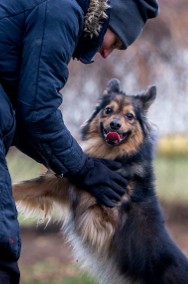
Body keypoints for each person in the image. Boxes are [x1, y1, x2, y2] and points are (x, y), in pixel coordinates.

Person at [0, 0, 159, 283]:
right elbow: (38, 114)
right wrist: (83, 169)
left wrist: (77, 164)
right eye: (116, 41)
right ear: (108, 17)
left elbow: (24, 121)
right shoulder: (61, 11)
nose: (108, 53)